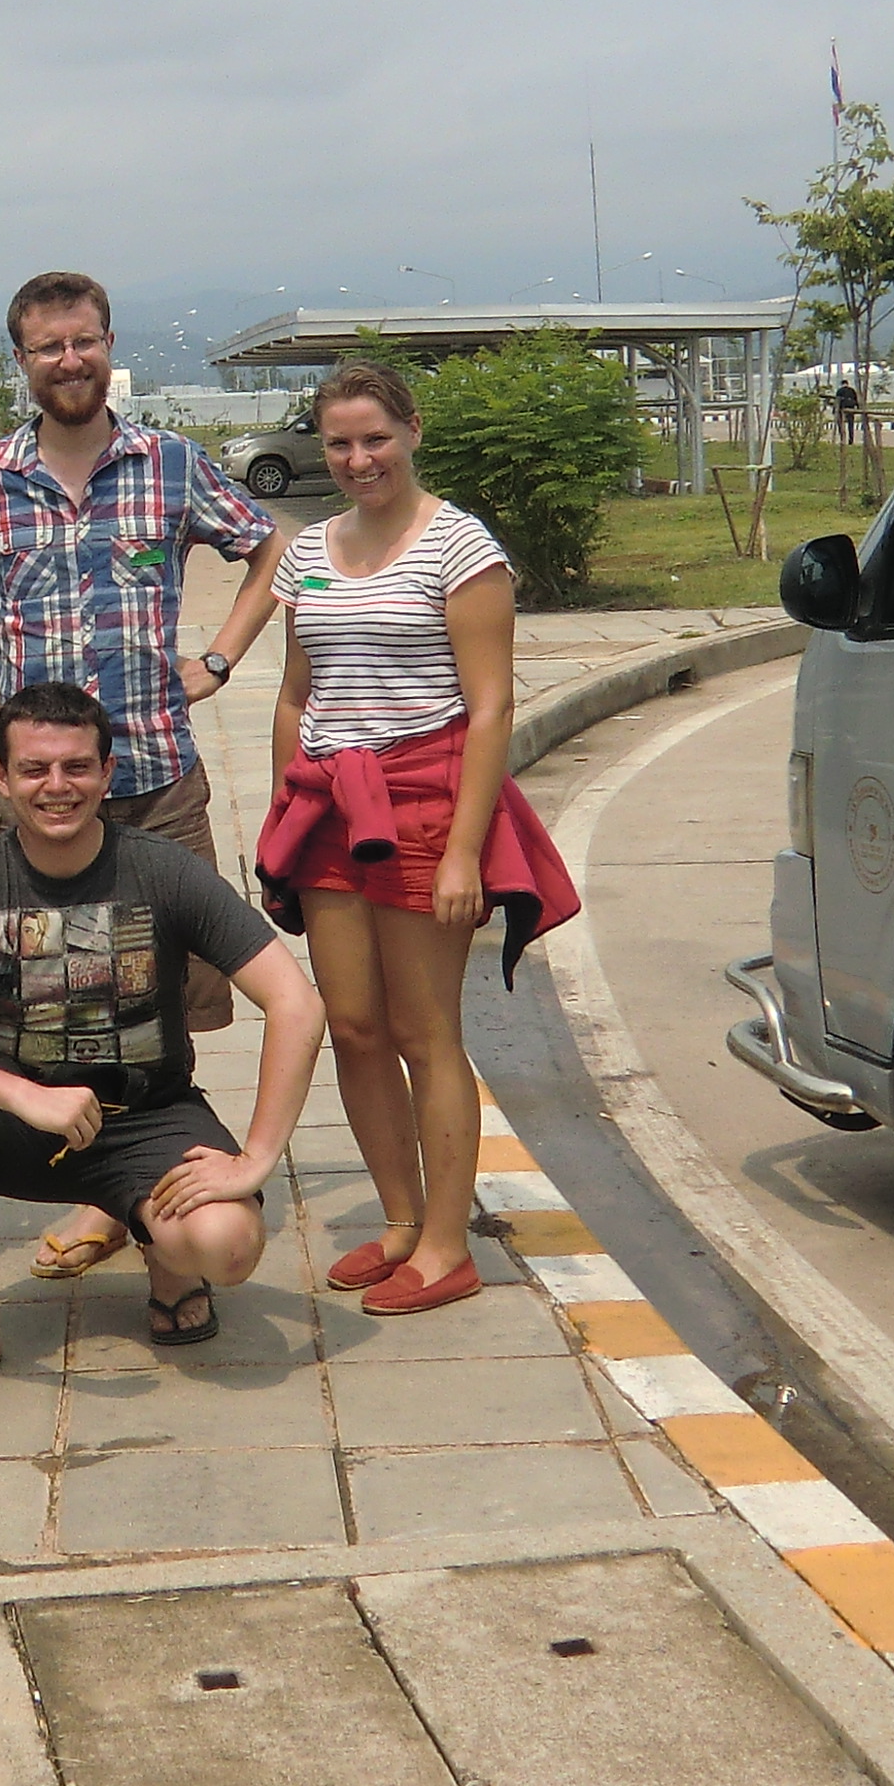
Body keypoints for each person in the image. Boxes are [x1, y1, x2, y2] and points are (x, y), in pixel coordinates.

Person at [0, 270, 286, 1281]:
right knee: (62, 997)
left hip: (156, 779)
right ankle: (100, 1184)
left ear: (108, 344)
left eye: (83, 340)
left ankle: (150, 1179)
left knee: (172, 995)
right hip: (45, 797)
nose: (69, 359)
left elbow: (271, 550)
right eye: (49, 346)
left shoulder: (170, 465)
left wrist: (218, 657)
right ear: (22, 361)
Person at [0, 682, 327, 1406]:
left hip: (148, 1114)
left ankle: (167, 1257)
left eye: (77, 767)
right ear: (1, 776)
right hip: (20, 1118)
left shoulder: (163, 869)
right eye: (34, 769)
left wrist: (257, 1158)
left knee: (229, 1244)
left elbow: (297, 1004)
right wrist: (23, 1095)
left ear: (108, 772)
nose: (57, 786)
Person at [250, 361, 580, 1317]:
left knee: (425, 1032)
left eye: (375, 439)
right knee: (353, 1024)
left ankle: (446, 1245)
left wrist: (467, 851)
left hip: (427, 799)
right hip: (328, 806)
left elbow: (491, 708)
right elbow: (295, 695)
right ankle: (400, 1219)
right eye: (340, 444)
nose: (359, 460)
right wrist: (281, 815)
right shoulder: (308, 552)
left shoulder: (459, 547)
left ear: (412, 433)